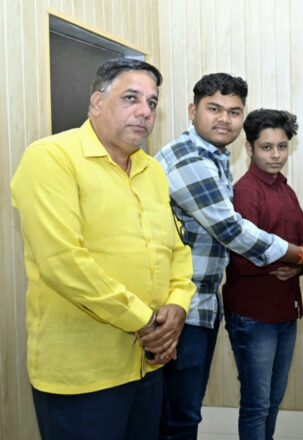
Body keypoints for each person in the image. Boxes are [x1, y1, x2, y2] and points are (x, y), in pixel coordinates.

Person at [10, 58, 195, 440]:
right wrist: (146, 321)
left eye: (152, 102)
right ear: (97, 102)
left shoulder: (152, 170)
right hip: (83, 375)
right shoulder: (51, 157)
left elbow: (176, 249)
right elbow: (64, 262)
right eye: (131, 98)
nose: (145, 111)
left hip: (147, 364)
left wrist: (178, 305)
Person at [155, 73, 303, 439]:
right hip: (184, 304)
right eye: (214, 109)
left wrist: (298, 261)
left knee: (194, 411)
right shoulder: (192, 160)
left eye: (233, 112)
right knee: (184, 416)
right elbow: (233, 235)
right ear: (193, 111)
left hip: (204, 303)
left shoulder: (225, 163)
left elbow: (300, 238)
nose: (224, 119)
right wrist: (301, 257)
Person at [222, 109, 303, 440]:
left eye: (282, 146)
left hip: (285, 311)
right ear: (249, 148)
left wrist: (300, 262)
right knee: (257, 405)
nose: (276, 155)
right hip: (254, 316)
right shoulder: (245, 192)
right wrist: (297, 257)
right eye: (267, 147)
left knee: (273, 400)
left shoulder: (285, 189)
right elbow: (243, 260)